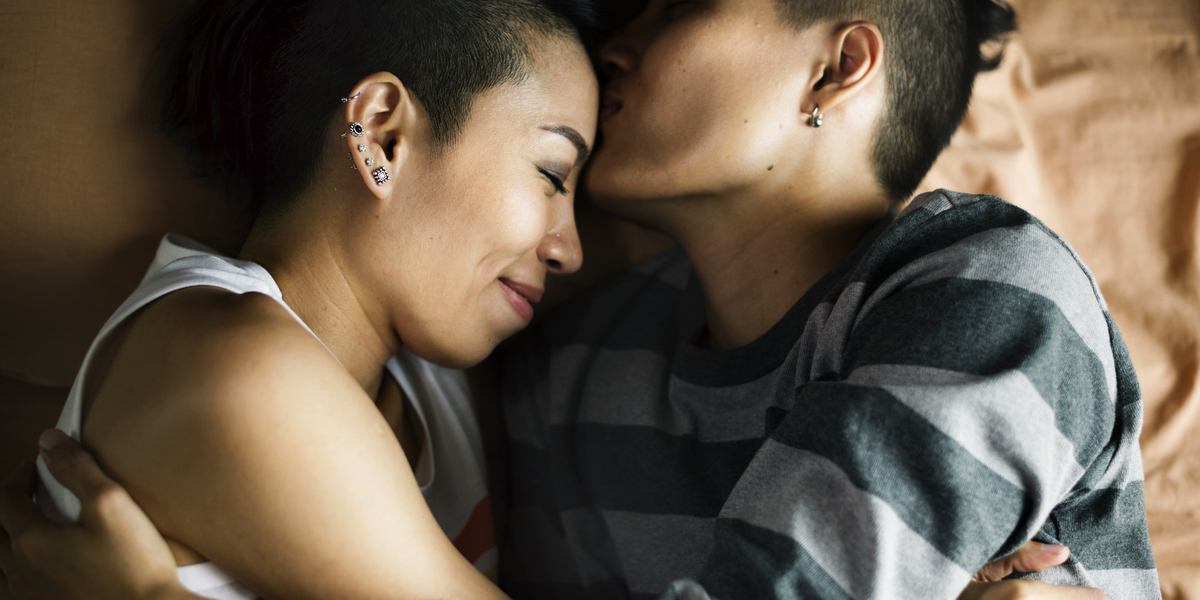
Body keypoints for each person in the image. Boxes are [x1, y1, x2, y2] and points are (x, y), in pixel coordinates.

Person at [0, 1, 1153, 600]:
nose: (622, 44)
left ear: (837, 69)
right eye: (554, 169)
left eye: (678, 2)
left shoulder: (978, 297)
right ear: (382, 132)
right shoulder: (532, 367)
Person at [2, 0, 598, 598]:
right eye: (551, 174)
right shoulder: (242, 371)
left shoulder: (428, 378)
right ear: (382, 138)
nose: (568, 250)